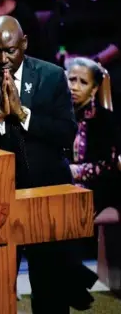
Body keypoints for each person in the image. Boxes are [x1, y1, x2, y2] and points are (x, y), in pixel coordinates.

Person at [0, 15, 97, 313]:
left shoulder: (51, 75)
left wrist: (23, 115)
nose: (3, 59)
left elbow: (65, 132)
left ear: (24, 44)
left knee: (51, 290)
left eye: (10, 50)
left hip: (46, 196)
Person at [65, 57, 121, 218]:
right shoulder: (56, 115)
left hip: (96, 187)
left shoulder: (106, 121)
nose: (74, 87)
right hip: (61, 184)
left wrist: (72, 172)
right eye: (71, 80)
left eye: (83, 82)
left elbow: (109, 165)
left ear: (94, 89)